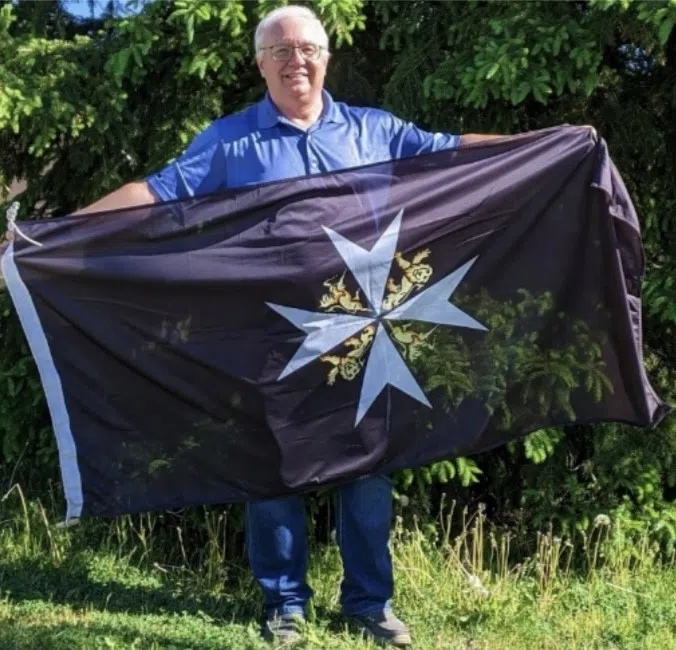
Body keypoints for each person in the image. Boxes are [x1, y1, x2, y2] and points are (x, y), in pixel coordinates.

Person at [20, 6, 507, 647]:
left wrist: (547, 143)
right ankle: (285, 606)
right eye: (279, 50)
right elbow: (159, 192)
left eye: (307, 47)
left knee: (369, 468)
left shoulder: (375, 131)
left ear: (327, 57)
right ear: (260, 64)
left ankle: (369, 603)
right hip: (274, 335)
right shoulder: (231, 142)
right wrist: (56, 232)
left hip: (367, 331)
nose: (295, 60)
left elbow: (454, 155)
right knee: (272, 467)